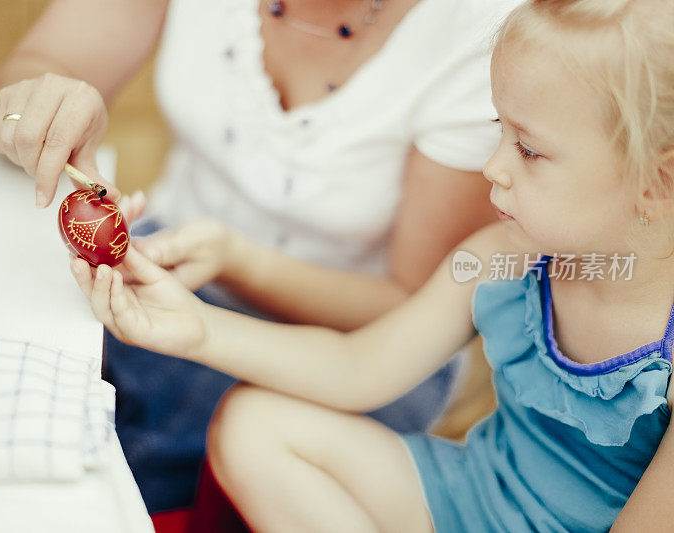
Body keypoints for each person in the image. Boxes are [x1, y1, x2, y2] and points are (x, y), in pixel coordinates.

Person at [69, 0, 674, 529]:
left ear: (657, 182)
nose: (492, 166)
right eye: (499, 130)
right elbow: (358, 367)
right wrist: (198, 330)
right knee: (252, 424)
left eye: (530, 150)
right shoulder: (499, 261)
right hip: (467, 497)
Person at [0, 0, 519, 510]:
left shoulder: (480, 31)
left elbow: (414, 308)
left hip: (365, 352)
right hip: (170, 273)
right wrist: (38, 107)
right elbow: (38, 67)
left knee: (117, 461)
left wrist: (237, 262)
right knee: (21, 379)